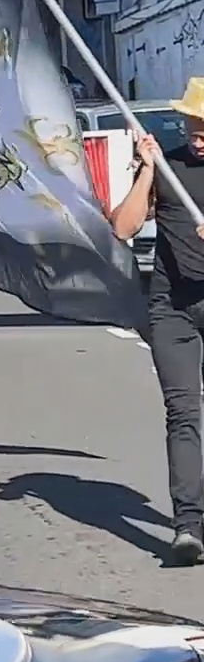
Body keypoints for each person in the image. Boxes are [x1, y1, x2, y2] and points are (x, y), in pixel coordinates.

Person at [110, 78, 204, 564]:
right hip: (172, 307)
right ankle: (188, 526)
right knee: (184, 413)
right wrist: (148, 171)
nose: (197, 136)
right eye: (192, 125)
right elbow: (123, 227)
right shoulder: (169, 164)